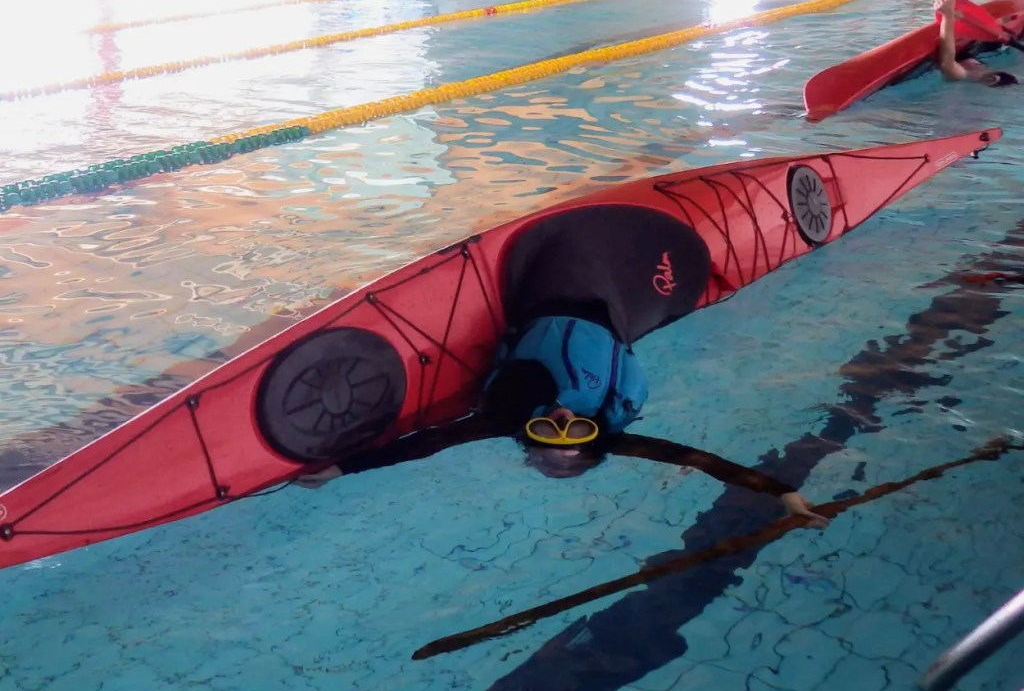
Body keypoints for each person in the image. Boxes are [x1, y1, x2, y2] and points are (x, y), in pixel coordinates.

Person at [298, 204, 829, 529]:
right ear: (593, 431)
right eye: (572, 427)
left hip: (555, 289)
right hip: (604, 294)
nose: (557, 414)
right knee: (575, 258)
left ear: (529, 438)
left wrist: (342, 467)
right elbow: (688, 456)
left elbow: (431, 442)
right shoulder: (607, 426)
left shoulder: (507, 417)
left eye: (546, 430)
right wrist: (782, 490)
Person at [933, 0, 1020, 87]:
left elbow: (946, 61)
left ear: (992, 79)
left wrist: (947, 15)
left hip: (964, 52)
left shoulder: (961, 74)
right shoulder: (983, 70)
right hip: (979, 51)